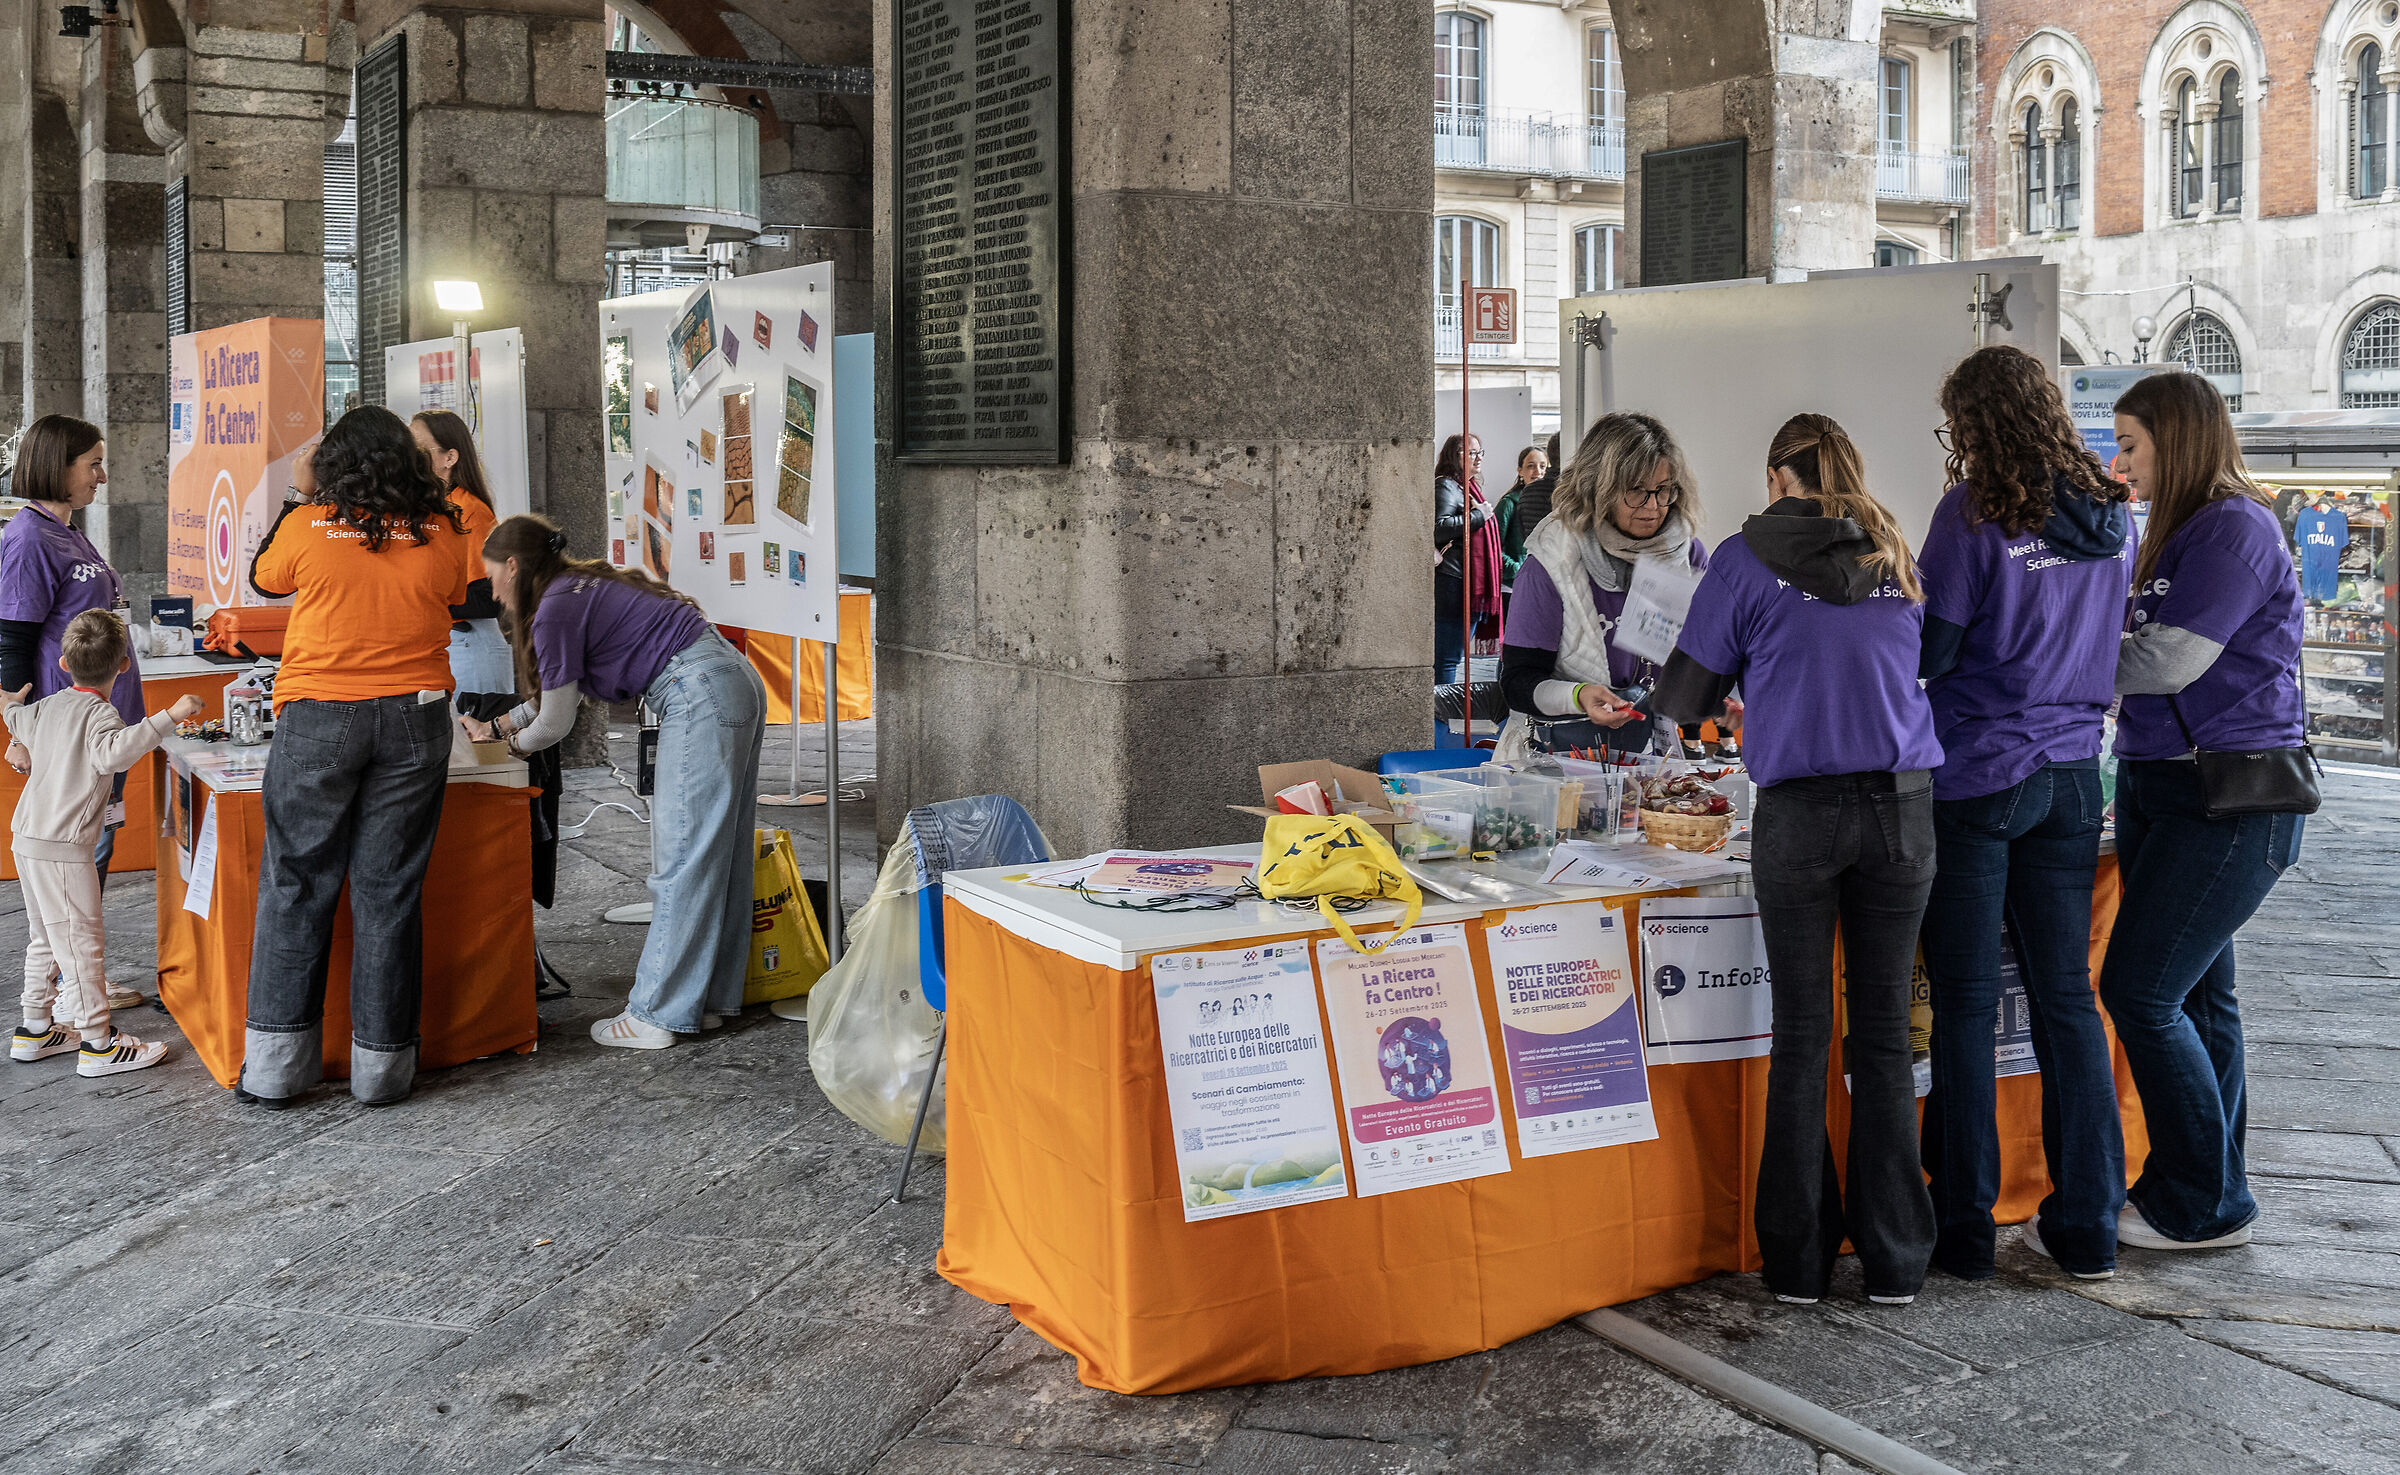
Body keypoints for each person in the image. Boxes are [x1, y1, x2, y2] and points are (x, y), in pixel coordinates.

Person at [1656, 413, 1942, 1307]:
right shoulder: (1892, 547)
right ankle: (1896, 1260)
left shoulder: (1744, 558)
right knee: (1885, 1035)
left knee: (1802, 1035)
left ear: (1781, 477)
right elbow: (1919, 660)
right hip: (1902, 810)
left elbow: (1689, 694)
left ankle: (1797, 1261)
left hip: (1801, 814)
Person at [1915, 345, 2133, 1283]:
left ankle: (1964, 1231)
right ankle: (2087, 1227)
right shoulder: (2112, 515)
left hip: (1980, 774)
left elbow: (1929, 652)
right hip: (2076, 774)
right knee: (2067, 999)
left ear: (1973, 424)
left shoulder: (1972, 515)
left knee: (1966, 1006)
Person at [2102, 370, 2307, 1252]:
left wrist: (2048, 661)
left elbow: (2170, 658)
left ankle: (2201, 1201)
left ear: (2177, 439)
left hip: (2227, 795)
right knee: (2199, 997)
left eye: (2131, 444)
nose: (2121, 463)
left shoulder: (2234, 526)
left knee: (2140, 991)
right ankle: (2215, 1184)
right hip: (2161, 781)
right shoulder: (2174, 529)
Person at [240, 406, 477, 1109]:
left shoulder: (308, 523)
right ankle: (382, 1071)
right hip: (416, 716)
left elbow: (264, 580)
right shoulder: (444, 529)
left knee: (296, 883)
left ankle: (277, 1069)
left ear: (333, 465)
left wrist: (298, 491)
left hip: (320, 712)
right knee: (390, 888)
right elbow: (453, 594)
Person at [465, 514, 766, 1049]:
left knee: (683, 858)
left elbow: (555, 723)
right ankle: (705, 1001)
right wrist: (498, 725)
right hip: (729, 678)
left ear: (512, 566)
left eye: (490, 576)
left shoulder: (553, 611)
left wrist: (507, 748)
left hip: (696, 694)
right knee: (721, 855)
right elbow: (555, 697)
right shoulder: (579, 584)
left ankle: (656, 1015)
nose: (490, 590)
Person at [4, 612, 201, 1076]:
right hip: (63, 847)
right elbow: (115, 753)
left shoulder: (45, 706)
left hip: (27, 839)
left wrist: (8, 705)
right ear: (125, 665)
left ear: (63, 663)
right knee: (81, 942)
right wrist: (172, 715)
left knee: (46, 935)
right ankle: (98, 1043)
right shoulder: (100, 715)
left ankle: (36, 1028)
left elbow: (14, 714)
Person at [0, 416, 148, 1011]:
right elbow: (11, 642)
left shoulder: (65, 530)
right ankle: (71, 992)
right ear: (57, 467)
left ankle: (74, 979)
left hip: (104, 721)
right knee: (76, 859)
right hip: (68, 729)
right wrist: (17, 731)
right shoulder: (29, 539)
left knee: (94, 850)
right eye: (93, 464)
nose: (102, 477)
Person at [1499, 412, 1714, 757]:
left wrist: (1715, 694)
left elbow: (1694, 657)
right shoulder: (1553, 560)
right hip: (1557, 760)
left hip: (1648, 755)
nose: (1653, 506)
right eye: (1636, 491)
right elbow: (1517, 683)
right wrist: (1578, 695)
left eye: (1663, 490)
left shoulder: (1686, 555)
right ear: (1599, 487)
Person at [409, 409, 513, 695]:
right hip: (447, 643)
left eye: (419, 450)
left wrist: (415, 599)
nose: (408, 457)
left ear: (450, 458)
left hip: (469, 645)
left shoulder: (468, 510)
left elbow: (487, 597)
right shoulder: (430, 507)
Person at [1434, 434, 1500, 686]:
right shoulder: (1446, 485)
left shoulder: (1467, 488)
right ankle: (1441, 711)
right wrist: (1478, 515)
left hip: (1464, 582)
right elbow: (1439, 528)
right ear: (1454, 456)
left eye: (1480, 452)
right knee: (1447, 659)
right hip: (1453, 582)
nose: (1478, 458)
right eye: (1471, 453)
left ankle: (1442, 710)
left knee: (1452, 658)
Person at [1494, 444, 1546, 604]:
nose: (1537, 471)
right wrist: (1517, 568)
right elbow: (1493, 546)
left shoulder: (1551, 503)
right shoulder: (1508, 503)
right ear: (1520, 470)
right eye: (1531, 466)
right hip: (1513, 587)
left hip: (1542, 584)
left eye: (1542, 466)